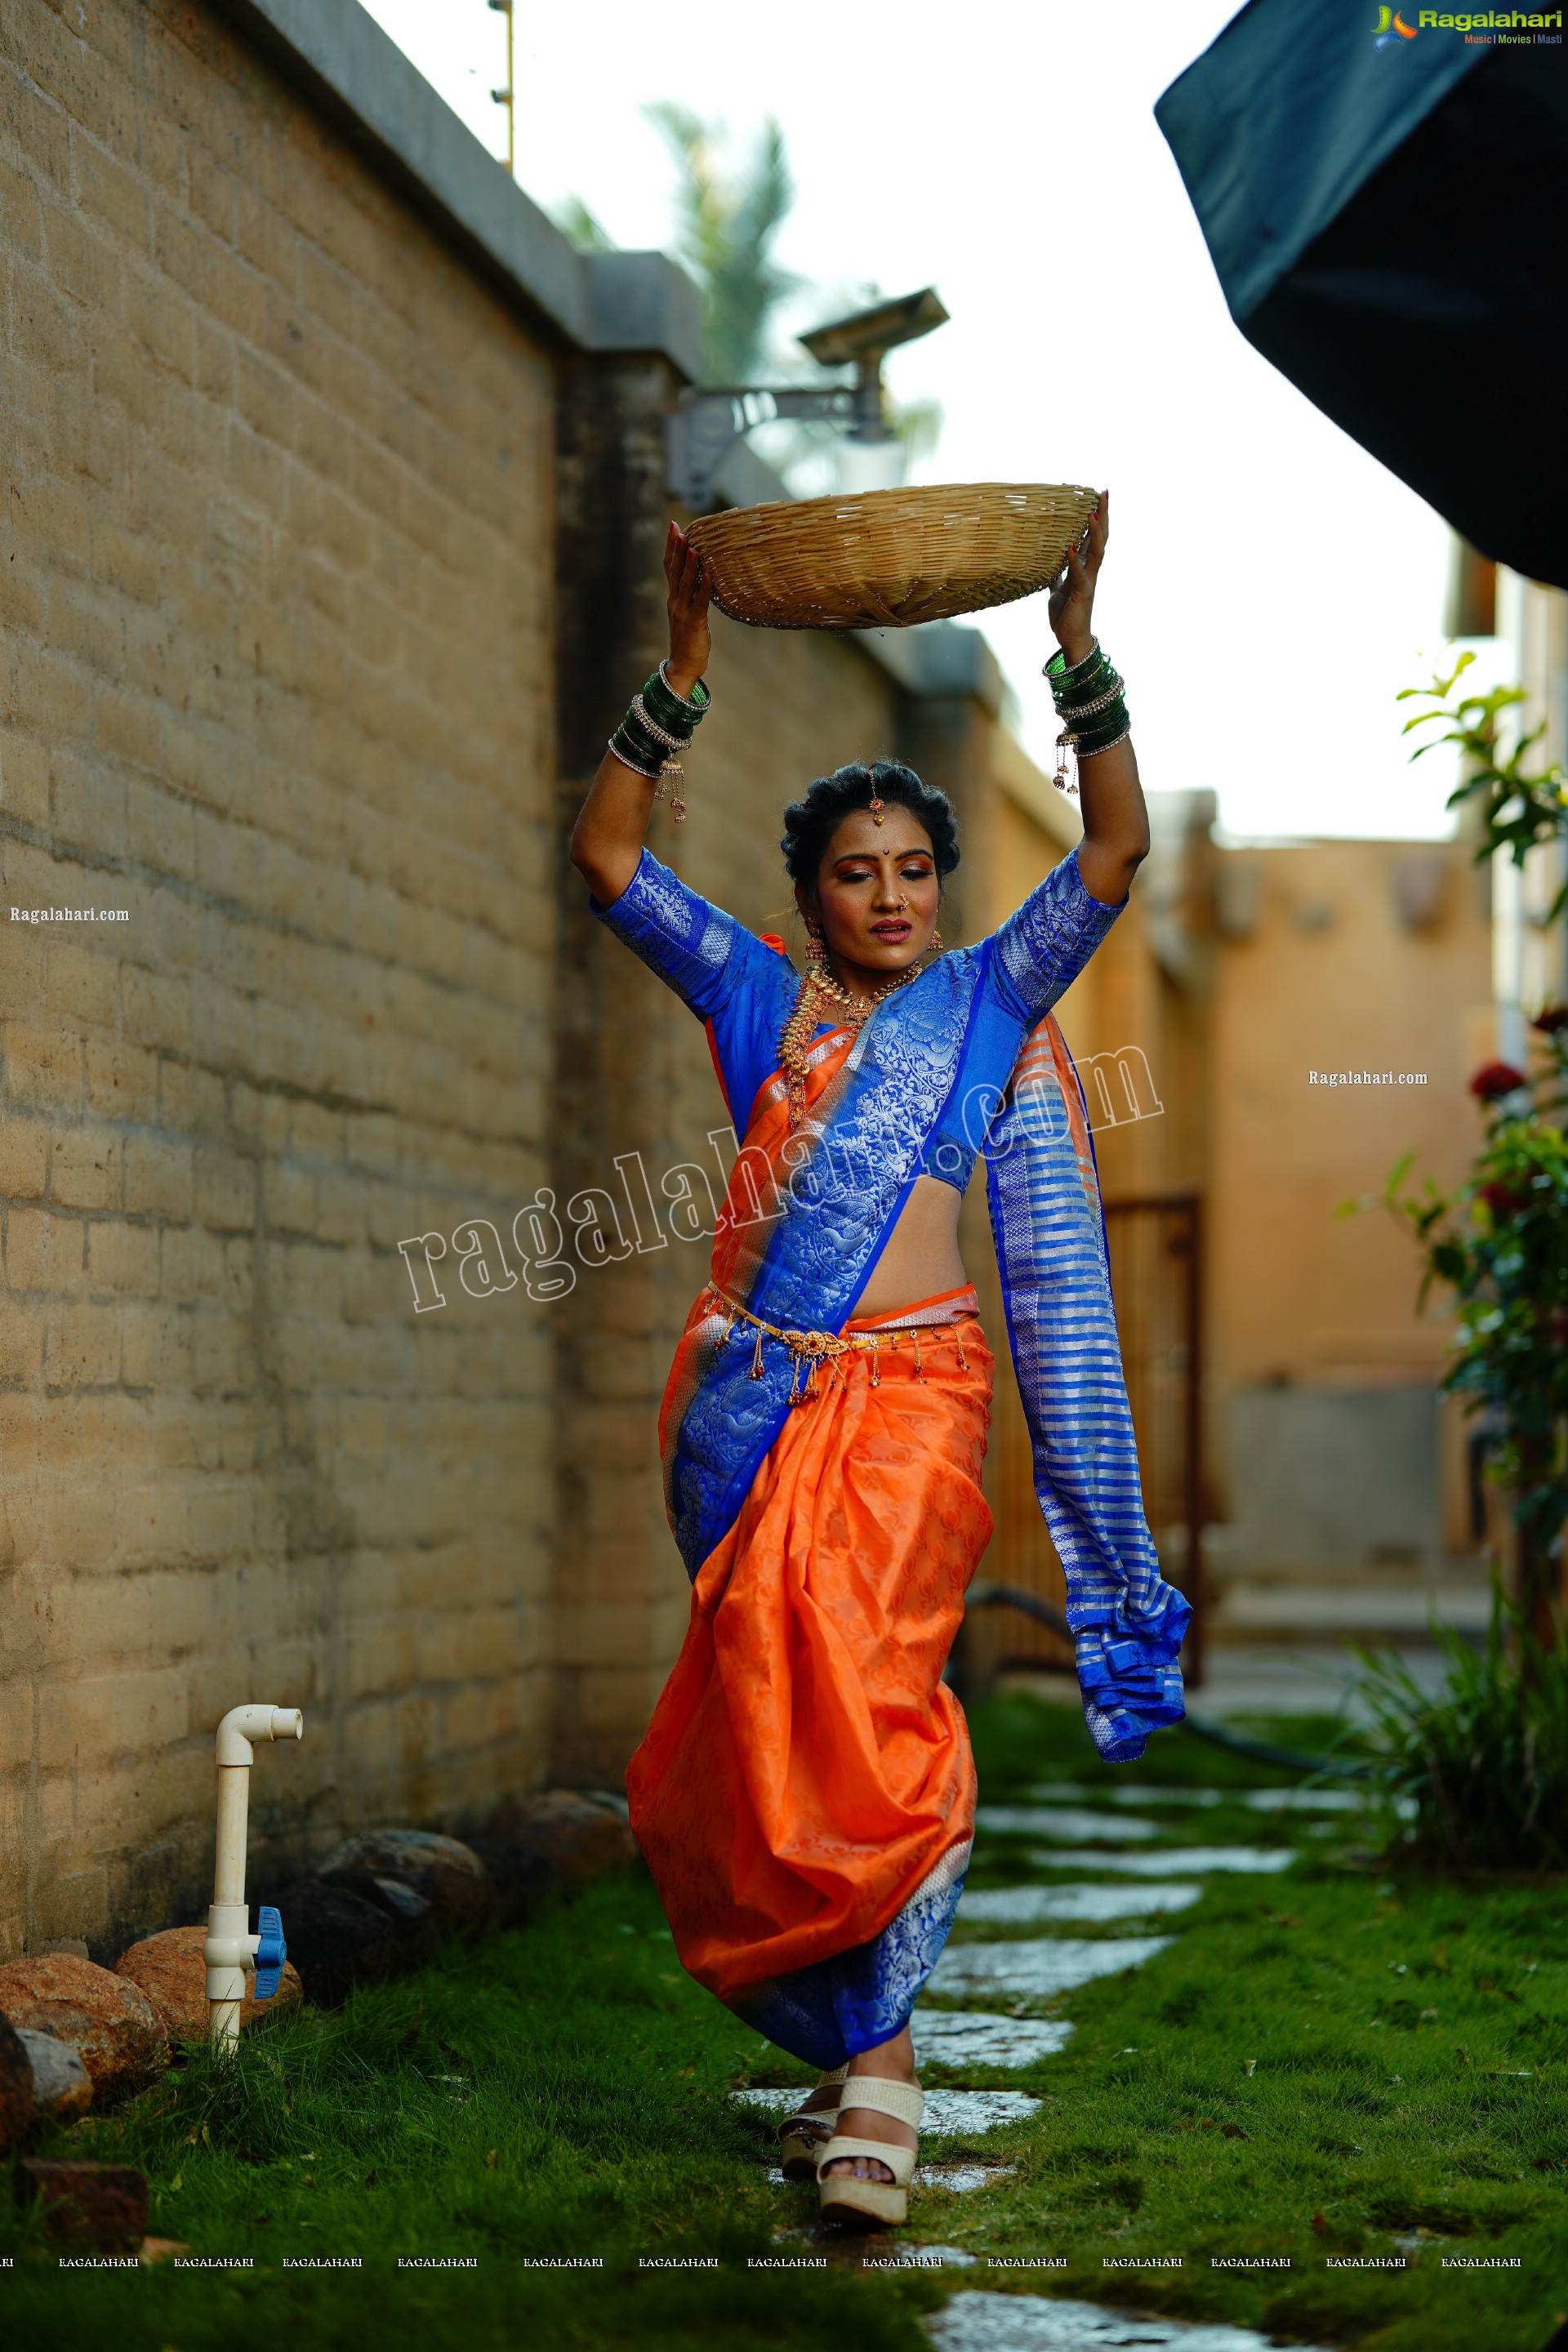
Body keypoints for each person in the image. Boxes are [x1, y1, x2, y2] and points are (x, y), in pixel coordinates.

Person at [568, 494, 1190, 2231]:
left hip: (916, 1405)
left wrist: (1077, 664)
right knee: (764, 1725)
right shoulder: (758, 1000)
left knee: (874, 1704)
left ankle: (888, 2079)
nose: (894, 895)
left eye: (917, 871)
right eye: (860, 873)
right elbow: (611, 863)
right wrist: (679, 677)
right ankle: (847, 2052)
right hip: (758, 1405)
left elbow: (1117, 858)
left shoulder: (991, 1004)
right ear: (812, 894)